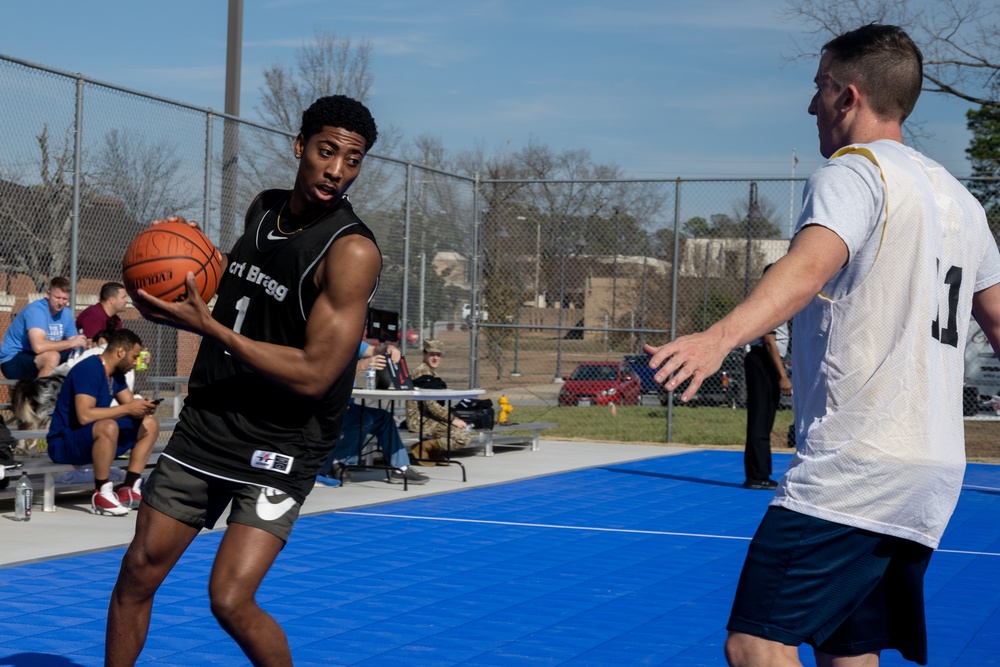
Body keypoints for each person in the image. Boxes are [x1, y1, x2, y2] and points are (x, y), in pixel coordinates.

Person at [645, 25, 1000, 667]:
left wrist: (717, 337)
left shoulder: (853, 175)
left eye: (820, 87)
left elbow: (807, 269)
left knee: (757, 642)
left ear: (849, 97)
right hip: (933, 471)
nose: (812, 105)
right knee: (848, 648)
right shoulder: (962, 201)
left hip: (857, 467)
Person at [105, 95, 382, 667]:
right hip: (211, 420)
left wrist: (211, 329)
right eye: (327, 151)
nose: (336, 169)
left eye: (352, 160)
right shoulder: (263, 209)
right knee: (136, 574)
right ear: (299, 146)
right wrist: (183, 277)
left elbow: (315, 374)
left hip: (284, 440)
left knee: (229, 599)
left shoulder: (351, 251)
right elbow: (237, 289)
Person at [46, 328, 159, 516]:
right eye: (134, 356)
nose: (136, 362)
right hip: (64, 443)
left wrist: (143, 408)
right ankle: (102, 493)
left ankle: (128, 488)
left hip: (92, 438)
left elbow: (129, 405)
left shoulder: (116, 374)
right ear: (121, 351)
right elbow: (84, 416)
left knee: (149, 424)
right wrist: (128, 409)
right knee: (108, 425)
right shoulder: (89, 369)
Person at [318, 340, 429, 486]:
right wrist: (363, 365)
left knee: (384, 417)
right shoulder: (324, 344)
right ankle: (338, 463)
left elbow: (374, 350)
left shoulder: (351, 340)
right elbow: (333, 378)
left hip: (348, 406)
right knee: (363, 418)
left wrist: (388, 348)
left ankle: (400, 468)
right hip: (329, 409)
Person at [742, 264, 792, 490]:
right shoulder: (769, 301)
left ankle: (760, 473)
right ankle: (756, 476)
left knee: (764, 420)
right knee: (760, 420)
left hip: (765, 360)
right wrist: (782, 375)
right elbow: (769, 340)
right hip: (763, 360)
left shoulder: (776, 300)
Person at [0, 276, 88, 380]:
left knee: (84, 360)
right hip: (13, 359)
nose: (60, 303)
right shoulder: (36, 311)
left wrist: (83, 347)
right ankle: (40, 396)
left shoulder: (66, 313)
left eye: (64, 299)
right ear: (48, 294)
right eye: (57, 297)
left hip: (39, 356)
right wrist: (71, 343)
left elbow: (75, 343)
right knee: (52, 357)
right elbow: (38, 347)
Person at [405, 338, 473, 464]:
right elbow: (432, 406)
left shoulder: (431, 374)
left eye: (438, 355)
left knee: (464, 431)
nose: (435, 358)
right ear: (424, 354)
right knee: (463, 437)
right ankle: (424, 447)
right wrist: (453, 420)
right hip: (420, 420)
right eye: (432, 354)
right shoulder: (423, 374)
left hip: (429, 417)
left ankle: (432, 451)